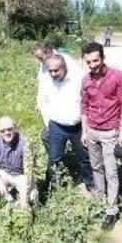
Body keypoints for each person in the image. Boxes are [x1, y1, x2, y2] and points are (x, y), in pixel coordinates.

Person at [80, 41, 122, 230]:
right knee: (96, 167)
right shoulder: (86, 81)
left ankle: (112, 210)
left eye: (96, 60)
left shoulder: (117, 77)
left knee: (111, 172)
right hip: (92, 130)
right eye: (89, 62)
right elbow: (84, 107)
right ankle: (101, 197)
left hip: (110, 132)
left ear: (102, 58)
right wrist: (84, 131)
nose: (93, 65)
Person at [38, 53, 95, 192]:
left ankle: (90, 184)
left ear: (64, 68)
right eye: (50, 70)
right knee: (54, 159)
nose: (53, 73)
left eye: (56, 70)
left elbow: (88, 101)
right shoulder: (46, 81)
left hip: (78, 127)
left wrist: (86, 127)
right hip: (56, 126)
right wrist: (48, 123)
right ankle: (55, 188)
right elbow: (42, 101)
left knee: (84, 157)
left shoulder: (78, 79)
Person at [0, 116, 34, 208]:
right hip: (3, 172)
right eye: (2, 131)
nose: (6, 133)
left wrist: (24, 197)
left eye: (10, 129)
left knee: (32, 197)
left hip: (21, 175)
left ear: (15, 128)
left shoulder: (25, 143)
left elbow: (29, 171)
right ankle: (6, 193)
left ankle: (18, 194)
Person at [33, 42, 82, 125]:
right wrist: (39, 101)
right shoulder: (45, 63)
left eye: (40, 58)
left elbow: (79, 81)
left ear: (48, 52)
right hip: (54, 111)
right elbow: (42, 83)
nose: (40, 61)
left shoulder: (65, 61)